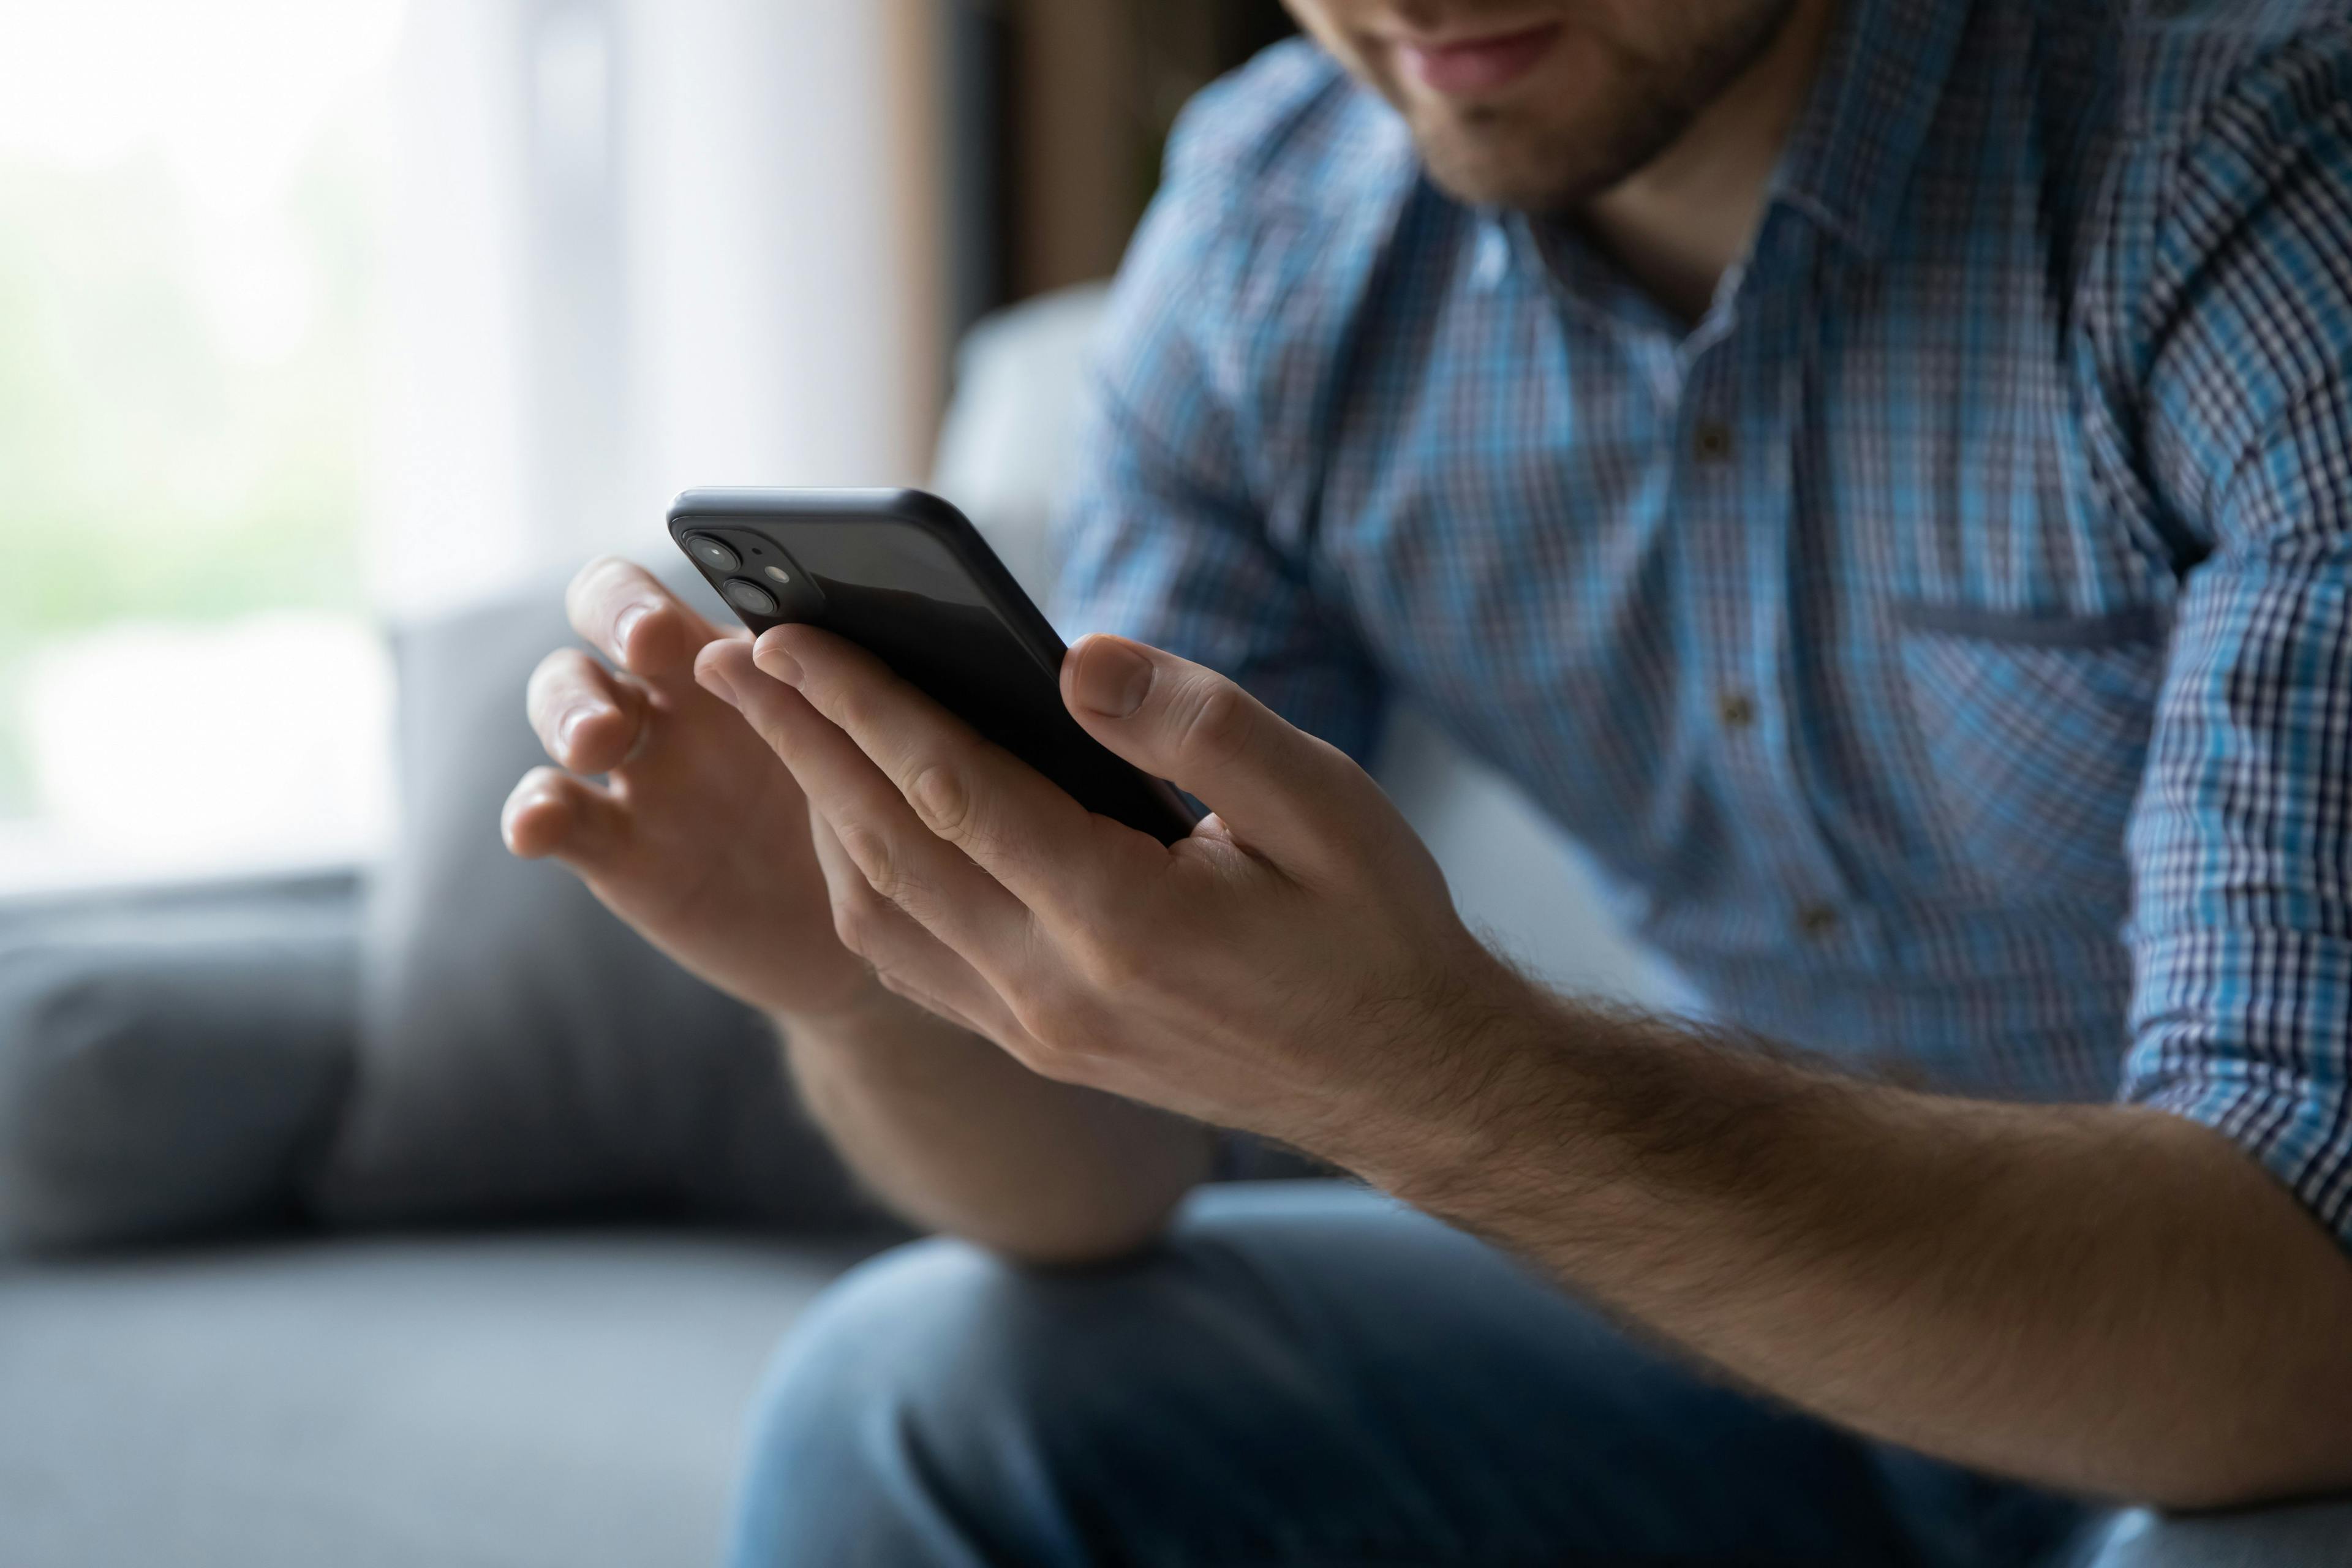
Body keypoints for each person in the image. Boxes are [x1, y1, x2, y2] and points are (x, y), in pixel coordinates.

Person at [503, 0, 2352, 1562]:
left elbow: (2298, 1315)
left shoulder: (2256, 176)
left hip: (2233, 1350)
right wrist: (874, 963)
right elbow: (1100, 1178)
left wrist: (1441, 1079)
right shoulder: (1275, 238)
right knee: (917, 1396)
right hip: (1764, 1347)